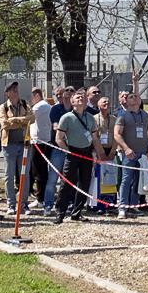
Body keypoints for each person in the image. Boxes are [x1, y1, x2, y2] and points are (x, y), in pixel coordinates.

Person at [53, 89, 98, 223]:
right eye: (77, 97)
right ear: (72, 102)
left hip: (87, 153)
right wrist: (68, 151)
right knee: (67, 183)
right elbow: (59, 138)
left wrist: (97, 153)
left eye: (83, 97)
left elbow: (95, 138)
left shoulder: (90, 118)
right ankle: (60, 213)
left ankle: (77, 213)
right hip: (72, 152)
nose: (80, 99)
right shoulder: (66, 117)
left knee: (84, 184)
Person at [114, 91, 148, 219]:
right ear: (126, 101)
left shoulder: (146, 115)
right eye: (131, 97)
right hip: (129, 154)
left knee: (138, 181)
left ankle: (133, 206)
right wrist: (126, 149)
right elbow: (116, 134)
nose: (135, 98)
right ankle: (122, 207)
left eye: (137, 96)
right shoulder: (123, 116)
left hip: (143, 154)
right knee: (126, 180)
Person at [0, 81, 31, 214]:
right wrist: (22, 121)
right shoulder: (3, 107)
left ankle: (23, 204)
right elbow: (5, 124)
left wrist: (15, 120)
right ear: (7, 93)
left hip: (24, 145)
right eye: (12, 89)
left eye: (16, 88)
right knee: (9, 175)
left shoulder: (25, 104)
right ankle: (11, 204)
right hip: (9, 146)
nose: (15, 91)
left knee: (25, 176)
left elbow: (32, 118)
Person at [44, 86, 70, 209]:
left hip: (72, 149)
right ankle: (48, 204)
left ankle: (65, 204)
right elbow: (55, 126)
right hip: (58, 148)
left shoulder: (75, 109)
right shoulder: (55, 109)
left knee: (68, 180)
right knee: (52, 179)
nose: (59, 97)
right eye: (57, 95)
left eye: (61, 94)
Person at [93, 94, 120, 210]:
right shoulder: (94, 119)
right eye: (104, 102)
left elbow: (116, 136)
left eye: (108, 102)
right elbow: (94, 137)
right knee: (99, 178)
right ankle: (99, 204)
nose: (106, 103)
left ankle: (110, 202)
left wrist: (112, 152)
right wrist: (100, 153)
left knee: (111, 177)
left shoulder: (114, 119)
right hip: (98, 152)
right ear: (98, 105)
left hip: (111, 152)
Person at [29, 87, 52, 207]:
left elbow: (27, 117)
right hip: (39, 141)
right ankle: (40, 196)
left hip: (40, 142)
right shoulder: (45, 106)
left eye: (31, 97)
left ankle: (40, 198)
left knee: (39, 171)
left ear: (37, 95)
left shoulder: (39, 106)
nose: (30, 100)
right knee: (38, 171)